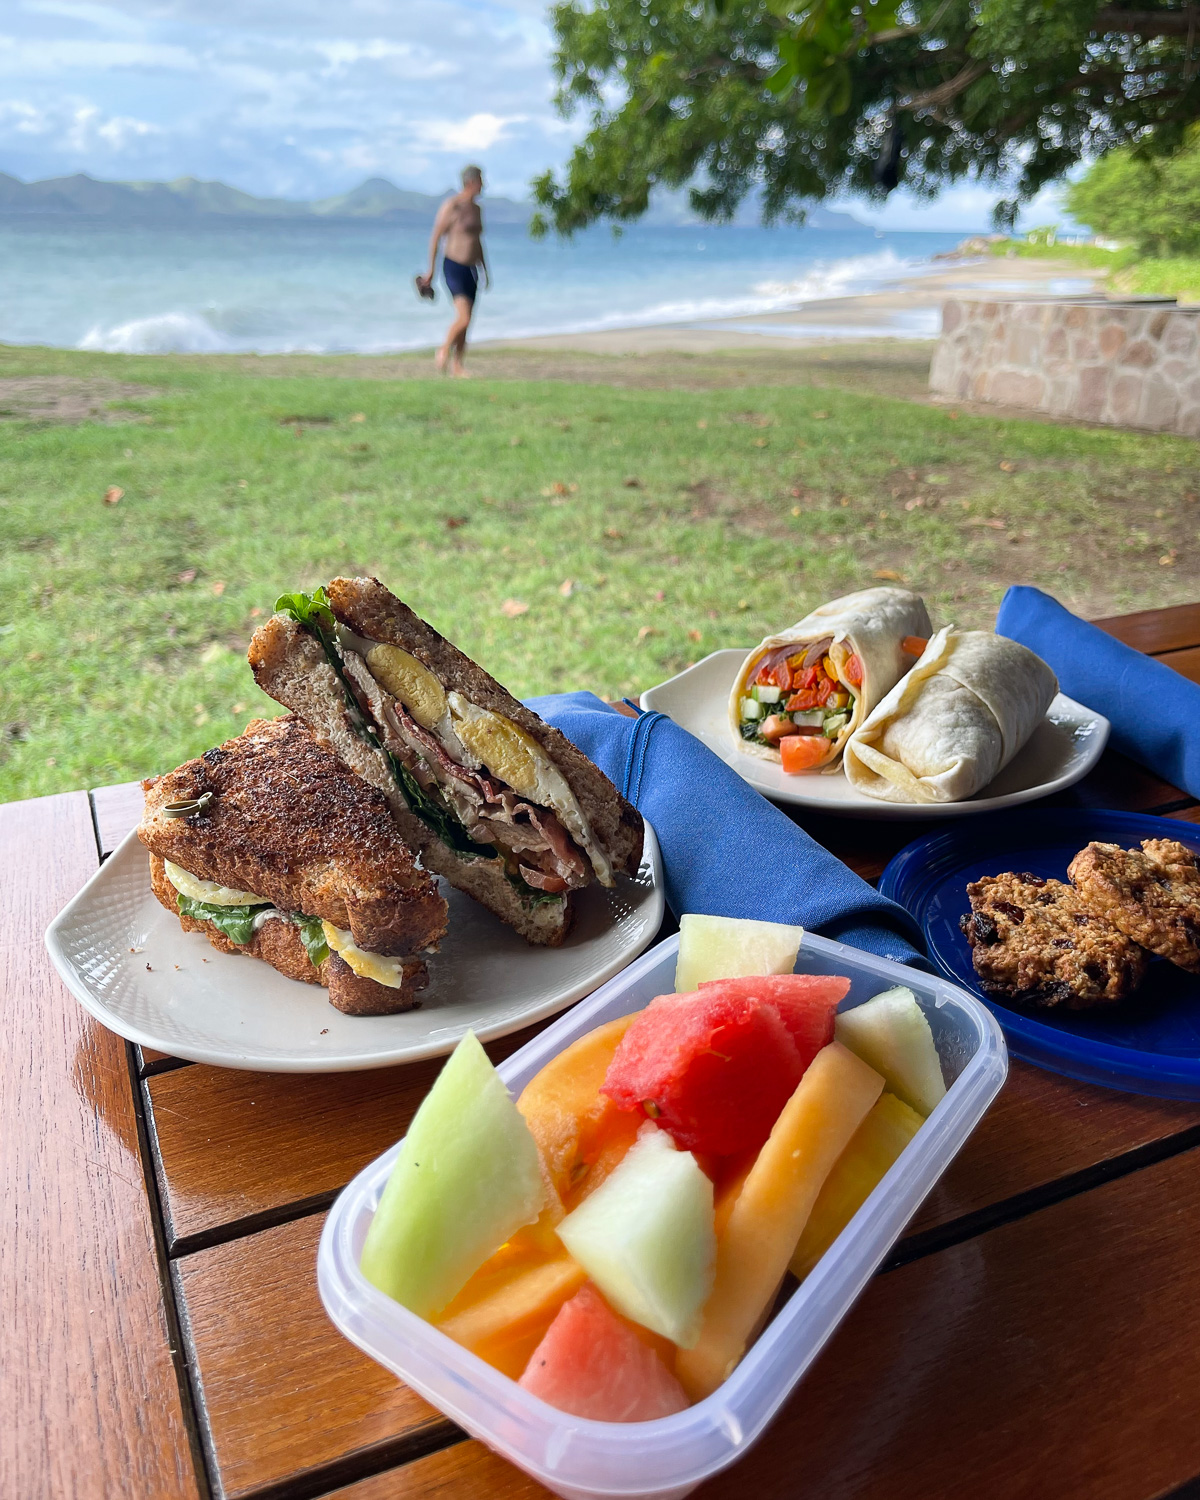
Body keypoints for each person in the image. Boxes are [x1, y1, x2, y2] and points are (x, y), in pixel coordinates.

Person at [418, 164, 490, 377]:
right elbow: (436, 237)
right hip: (453, 265)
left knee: (468, 320)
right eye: (481, 180)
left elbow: (478, 241)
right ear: (471, 182)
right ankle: (443, 349)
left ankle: (458, 365)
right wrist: (431, 270)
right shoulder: (453, 206)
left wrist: (485, 269)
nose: (484, 184)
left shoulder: (477, 209)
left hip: (472, 269)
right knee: (464, 317)